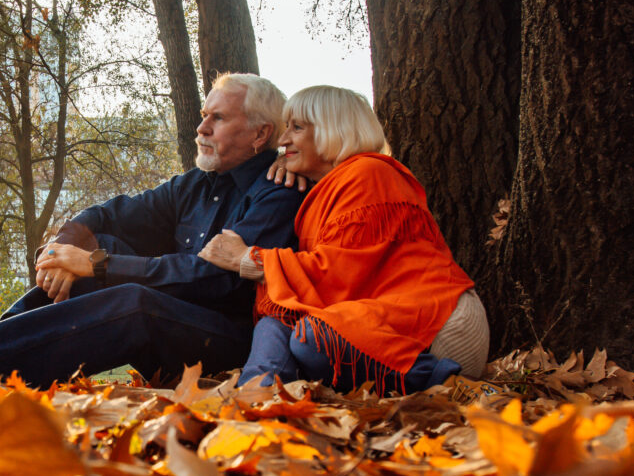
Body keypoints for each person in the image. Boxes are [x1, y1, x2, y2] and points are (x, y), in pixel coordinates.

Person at [0, 73, 306, 388]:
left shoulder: (278, 192)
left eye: (218, 118)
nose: (201, 128)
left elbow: (215, 281)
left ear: (260, 133)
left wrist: (97, 266)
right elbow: (111, 214)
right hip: (170, 321)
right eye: (203, 115)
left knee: (129, 294)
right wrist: (66, 249)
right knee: (103, 246)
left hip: (227, 339)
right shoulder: (193, 185)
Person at [199, 85, 489, 395]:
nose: (283, 141)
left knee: (310, 336)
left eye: (296, 128)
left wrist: (248, 259)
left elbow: (340, 273)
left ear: (332, 129)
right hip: (366, 318)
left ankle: (451, 384)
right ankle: (259, 399)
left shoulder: (369, 174)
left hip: (433, 327)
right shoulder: (331, 185)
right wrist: (288, 164)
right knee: (275, 322)